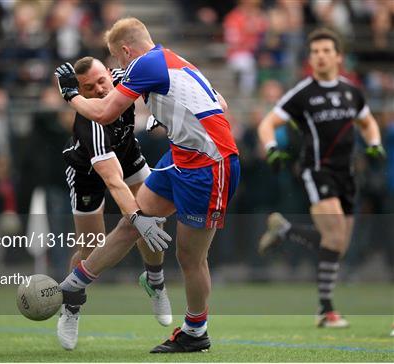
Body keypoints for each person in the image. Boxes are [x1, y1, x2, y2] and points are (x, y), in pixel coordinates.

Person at [55, 17, 240, 353]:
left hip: (211, 165)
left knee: (189, 256)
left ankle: (196, 332)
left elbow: (105, 112)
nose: (118, 68)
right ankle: (74, 285)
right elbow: (220, 104)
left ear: (126, 51)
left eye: (117, 59)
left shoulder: (143, 64)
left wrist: (69, 94)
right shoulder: (170, 59)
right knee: (131, 225)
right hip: (179, 156)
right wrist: (171, 112)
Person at [257, 28, 386, 328]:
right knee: (335, 234)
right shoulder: (303, 93)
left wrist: (375, 143)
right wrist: (272, 148)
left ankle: (286, 231)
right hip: (317, 171)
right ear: (310, 58)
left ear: (339, 56)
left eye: (327, 50)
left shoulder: (351, 91)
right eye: (315, 52)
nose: (320, 56)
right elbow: (268, 123)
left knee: (337, 243)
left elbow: (367, 123)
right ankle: (326, 310)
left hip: (347, 175)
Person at [57, 56, 172, 350]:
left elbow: (161, 82)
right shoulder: (90, 124)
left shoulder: (123, 78)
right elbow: (113, 181)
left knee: (155, 218)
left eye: (101, 80)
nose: (99, 89)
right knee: (90, 247)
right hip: (89, 173)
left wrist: (164, 110)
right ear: (80, 94)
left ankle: (155, 281)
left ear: (110, 74)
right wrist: (135, 218)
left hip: (127, 153)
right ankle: (71, 305)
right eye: (88, 87)